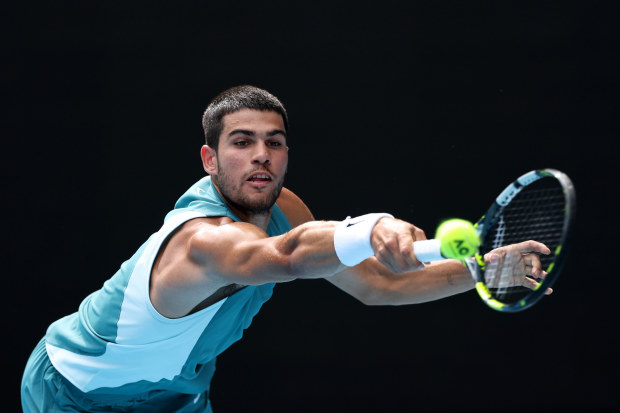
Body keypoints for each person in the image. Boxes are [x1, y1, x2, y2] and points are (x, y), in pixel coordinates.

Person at [21, 85, 551, 412]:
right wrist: (371, 226)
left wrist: (476, 269)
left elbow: (379, 285)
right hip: (74, 393)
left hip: (175, 394)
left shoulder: (281, 206)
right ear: (209, 159)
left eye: (274, 142)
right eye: (242, 141)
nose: (261, 156)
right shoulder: (203, 242)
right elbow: (294, 255)